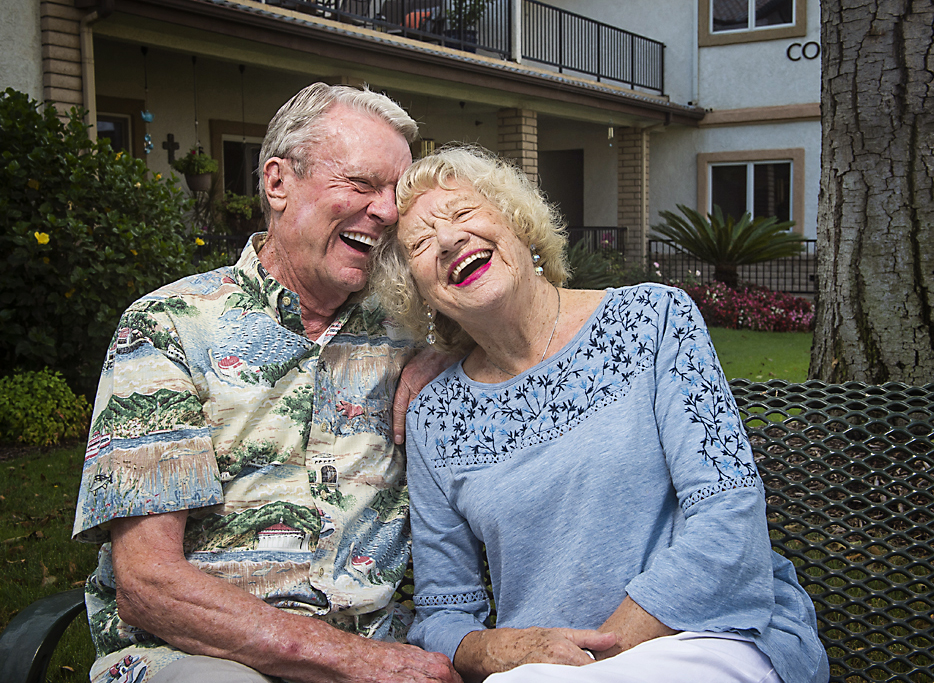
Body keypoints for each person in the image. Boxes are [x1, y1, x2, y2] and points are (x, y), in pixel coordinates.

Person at [370, 145, 830, 683]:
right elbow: (445, 613)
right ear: (420, 291)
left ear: (518, 222)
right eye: (422, 243)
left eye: (464, 213)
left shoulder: (653, 320)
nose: (449, 240)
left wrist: (599, 660)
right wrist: (493, 650)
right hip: (544, 673)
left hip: (712, 638)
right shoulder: (434, 418)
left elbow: (728, 520)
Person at [72, 83, 460, 683]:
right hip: (201, 657)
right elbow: (148, 584)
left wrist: (458, 353)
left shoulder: (409, 332)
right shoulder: (170, 327)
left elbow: (532, 323)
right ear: (277, 184)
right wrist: (352, 662)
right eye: (360, 185)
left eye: (394, 195)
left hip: (385, 644)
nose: (386, 211)